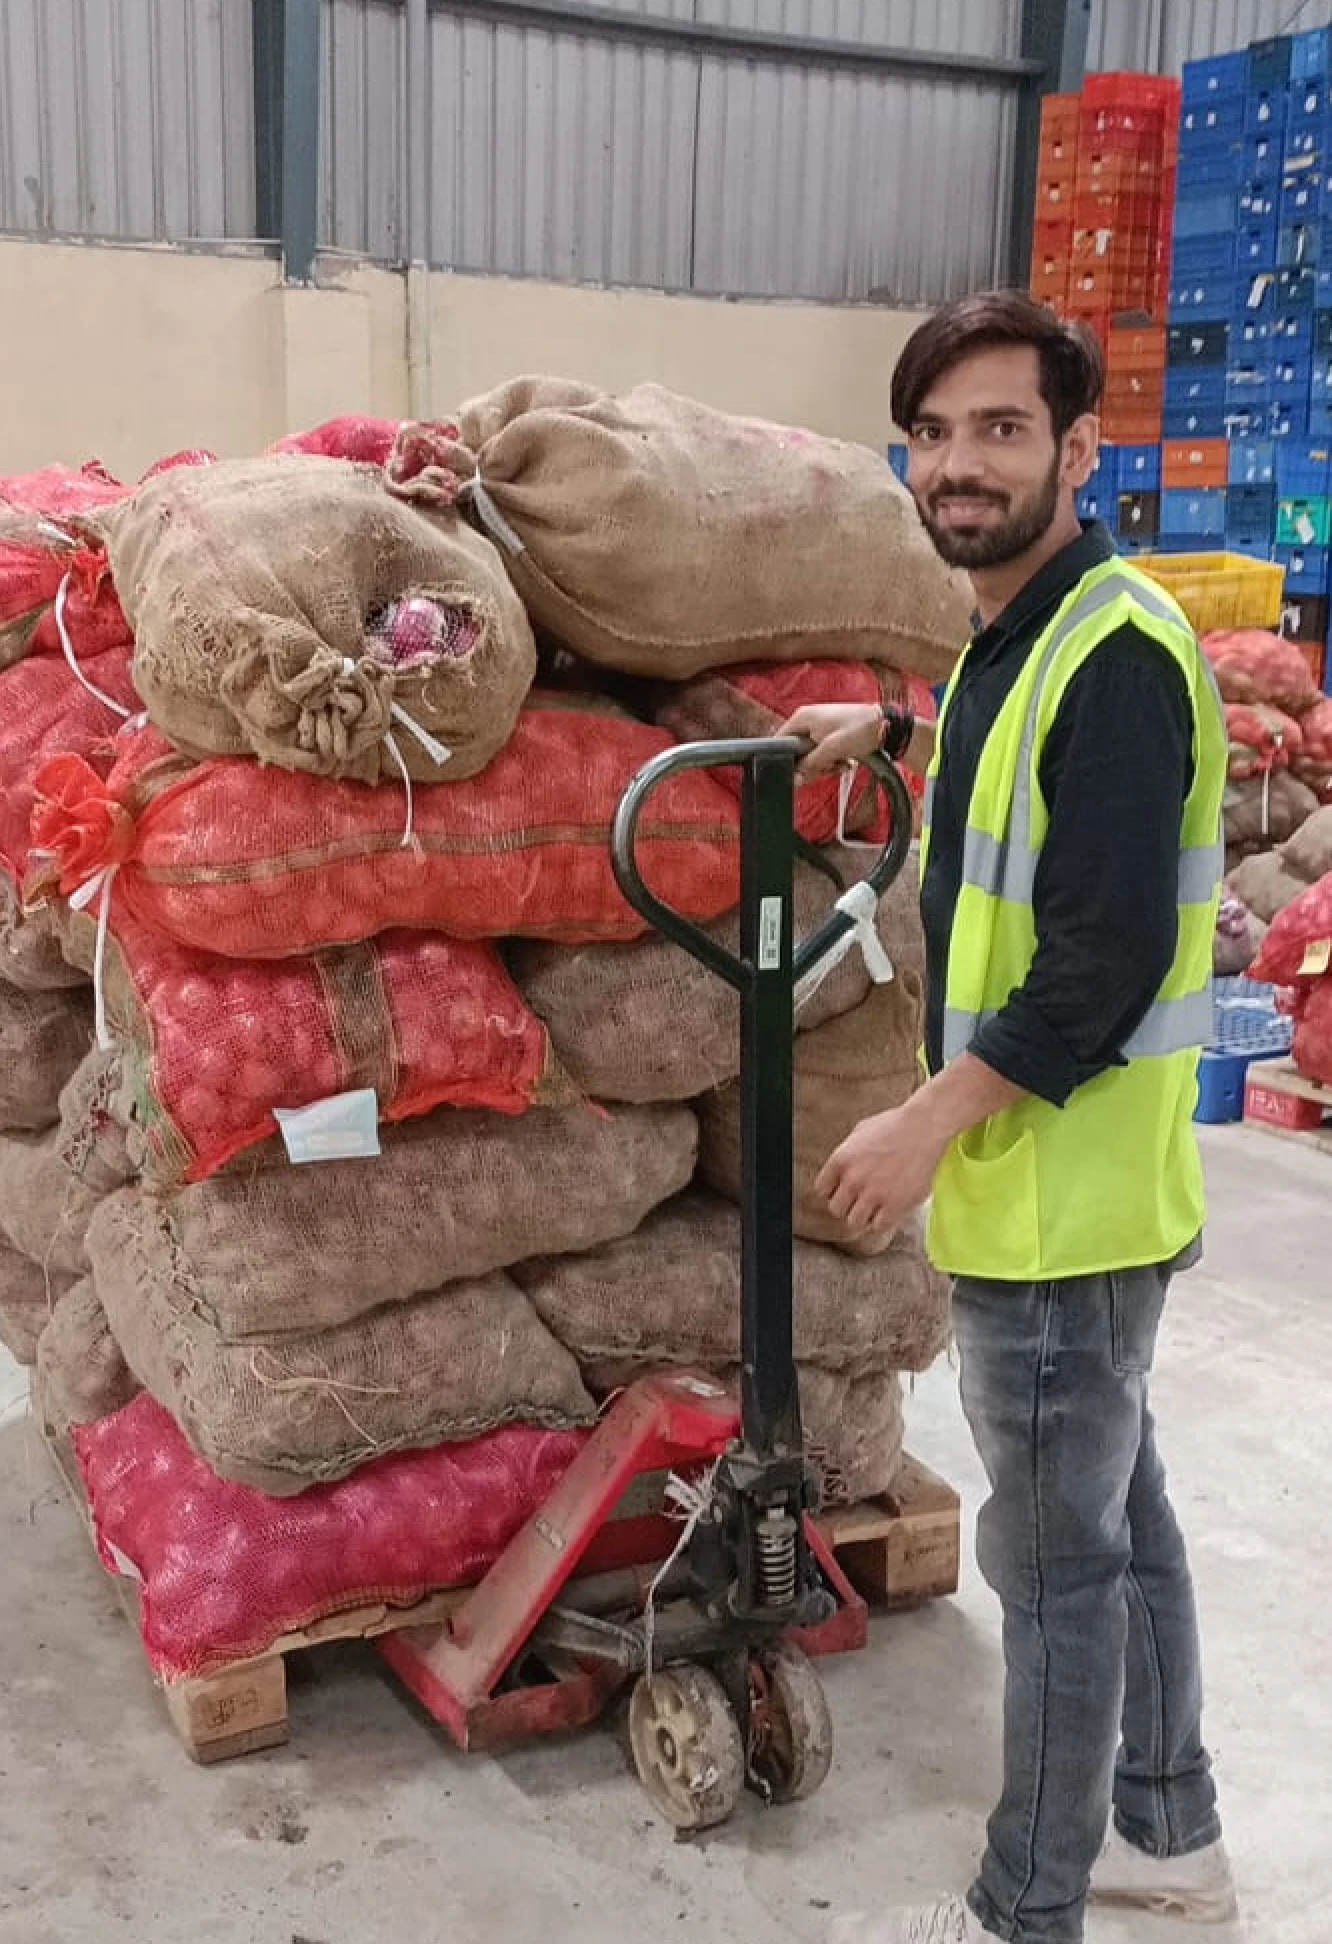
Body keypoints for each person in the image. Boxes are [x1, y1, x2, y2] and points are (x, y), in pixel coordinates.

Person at [781, 291, 1237, 1944]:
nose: (960, 464)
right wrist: (889, 731)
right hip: (1092, 1192)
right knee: (1122, 1513)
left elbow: (1100, 962)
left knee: (1056, 1580)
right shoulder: (1022, 635)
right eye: (934, 432)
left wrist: (926, 1121)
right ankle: (1169, 1834)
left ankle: (1023, 1909)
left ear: (1077, 447)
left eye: (999, 429)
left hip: (1056, 1199)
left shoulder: (1111, 656)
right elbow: (1008, 788)